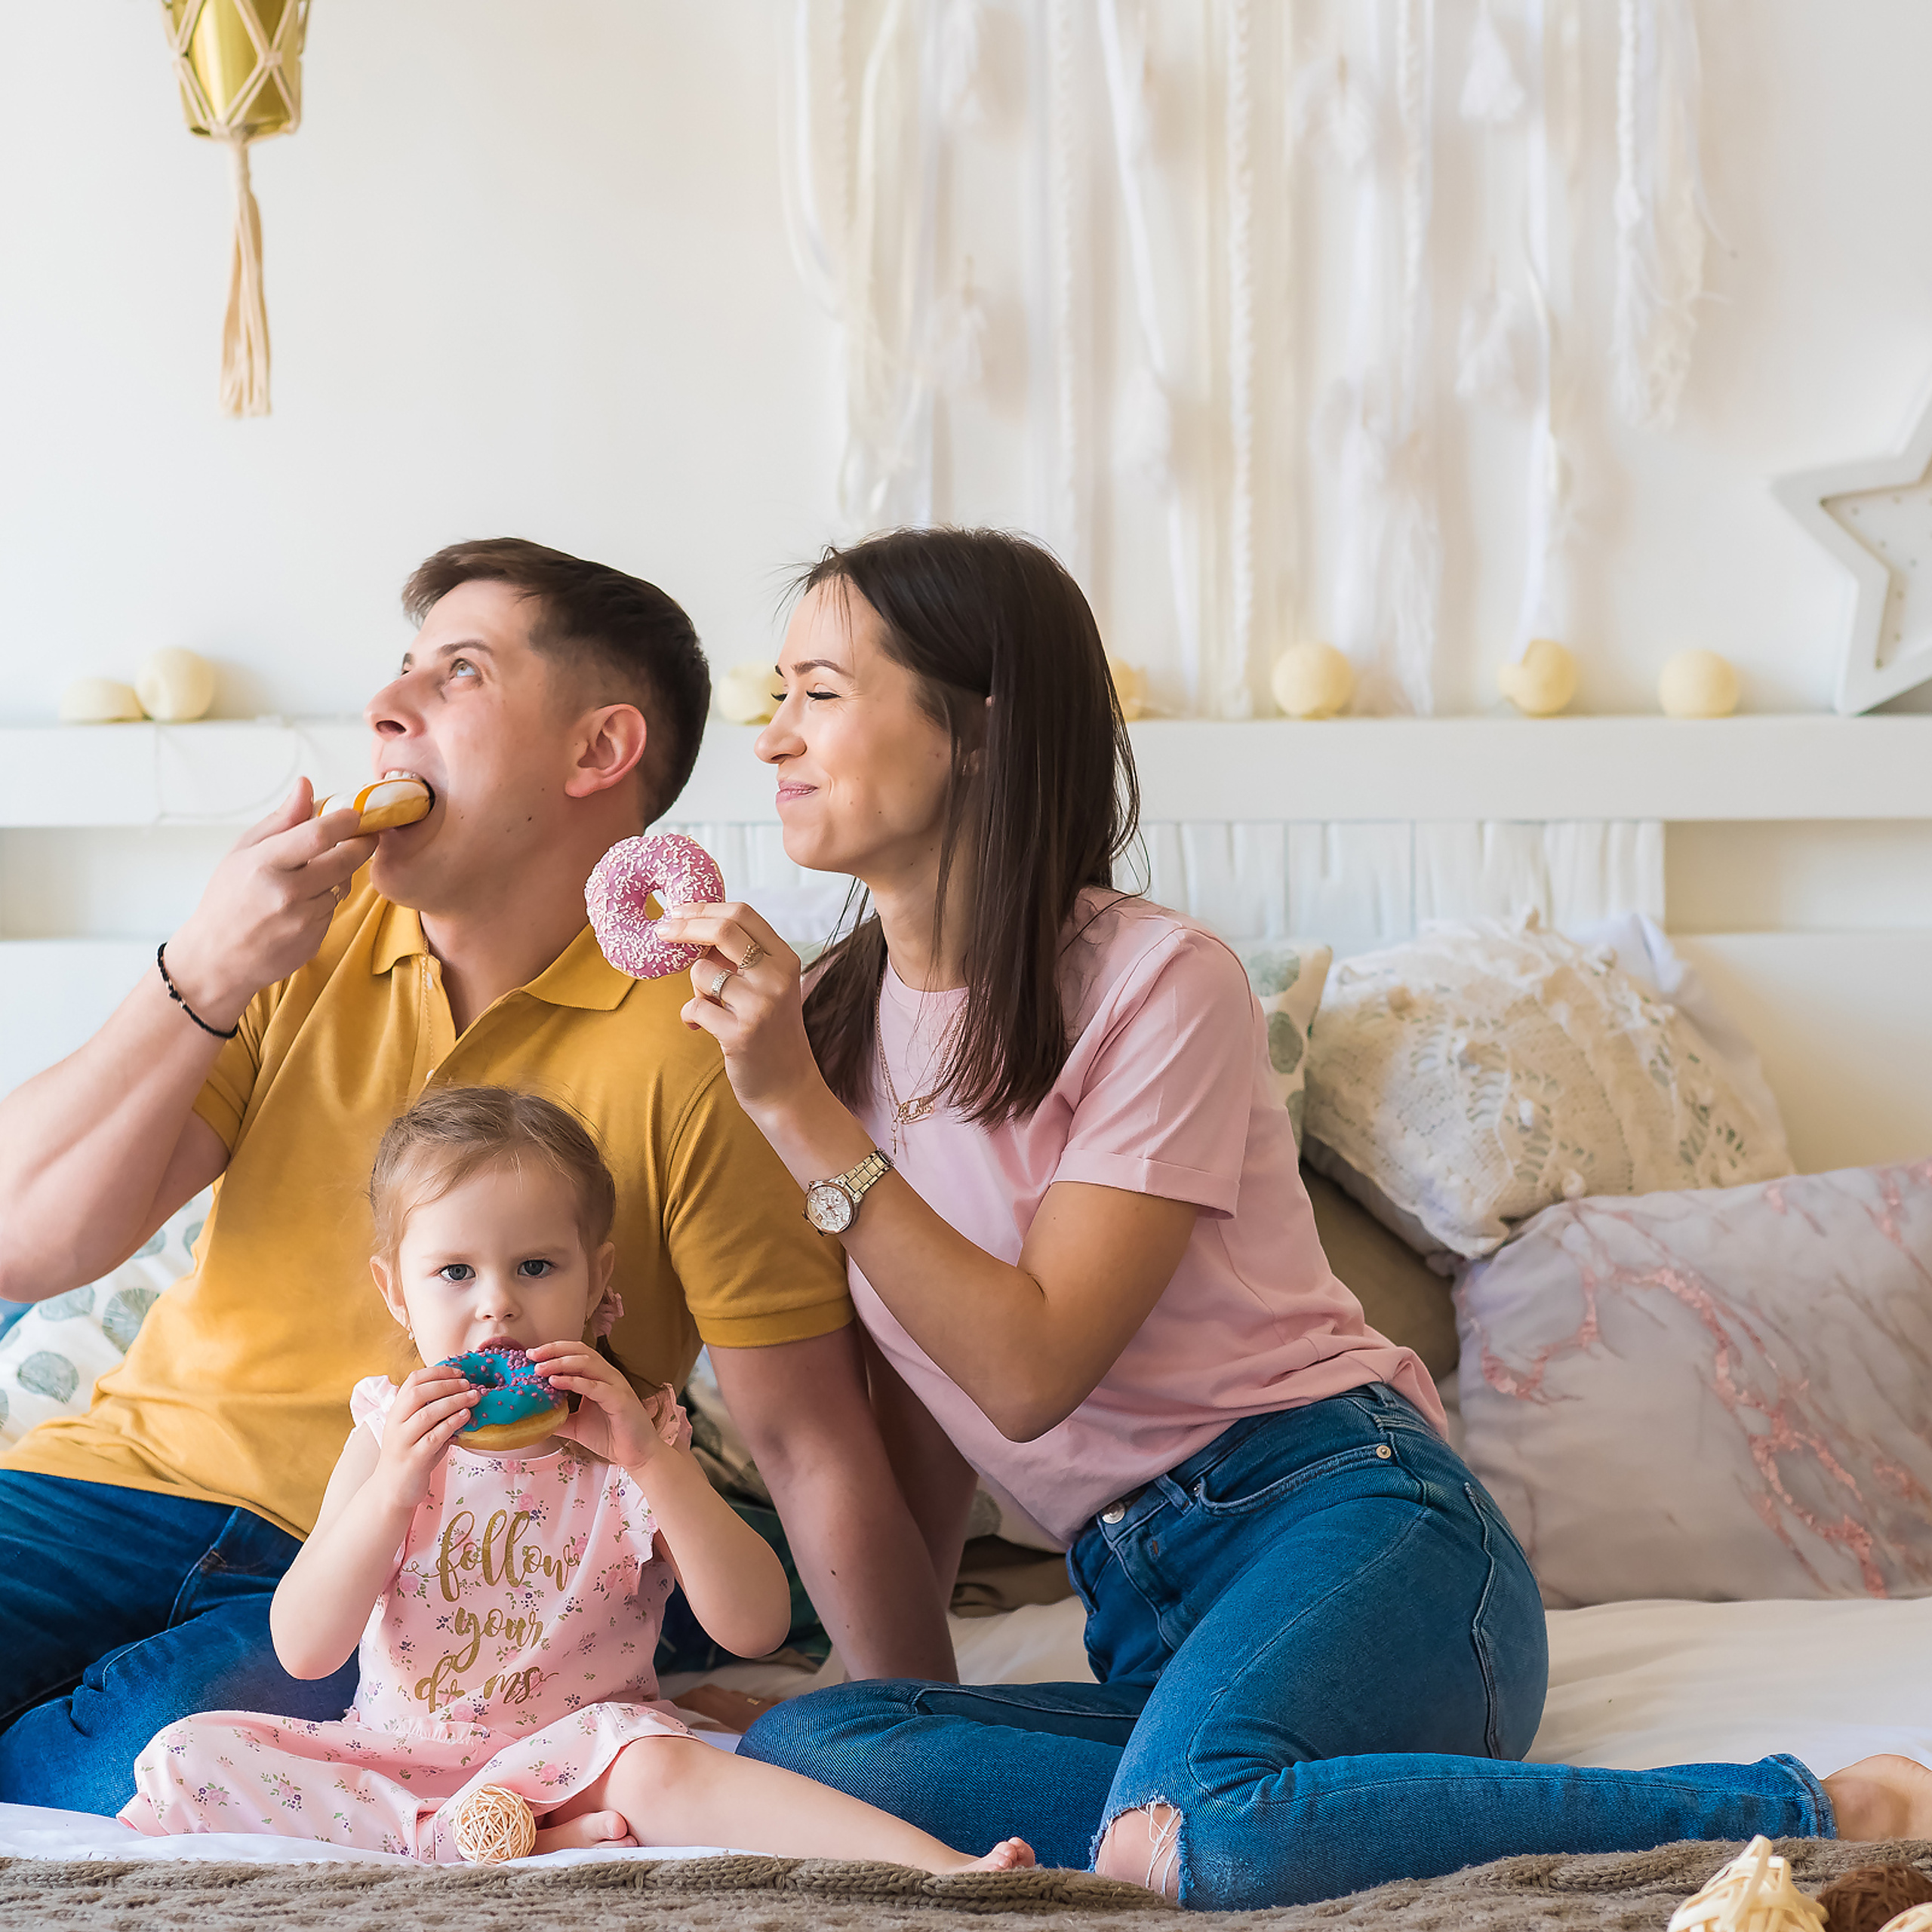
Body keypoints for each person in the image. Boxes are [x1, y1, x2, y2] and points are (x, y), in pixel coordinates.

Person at [650, 525, 1932, 1909]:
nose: (775, 740)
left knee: (1203, 1821)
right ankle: (1252, 1811)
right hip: (1151, 1623)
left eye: (822, 693)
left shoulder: (1159, 984)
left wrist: (798, 1119)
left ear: (977, 730)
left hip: (1352, 1527)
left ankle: (1817, 1802)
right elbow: (928, 1425)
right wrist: (900, 1724)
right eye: (773, 696)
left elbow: (1026, 1369)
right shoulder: (831, 1029)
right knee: (814, 1743)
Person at [0, 538, 953, 1817]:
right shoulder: (298, 942)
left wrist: (918, 1743)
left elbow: (804, 1440)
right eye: (398, 675)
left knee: (143, 1770)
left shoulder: (708, 1043)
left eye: (457, 674)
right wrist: (200, 972)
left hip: (378, 1570)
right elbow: (24, 1243)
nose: (385, 711)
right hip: (107, 1482)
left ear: (596, 752)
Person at [121, 1086, 1032, 1871]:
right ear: (396, 1291)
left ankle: (941, 1867)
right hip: (396, 1760)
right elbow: (303, 1650)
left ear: (598, 1281)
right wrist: (397, 1485)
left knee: (666, 1764)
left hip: (584, 1758)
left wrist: (650, 1463)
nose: (496, 1302)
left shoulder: (638, 1438)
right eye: (453, 1271)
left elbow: (753, 1627)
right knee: (186, 1752)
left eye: (535, 1266)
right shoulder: (382, 1434)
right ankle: (464, 1837)